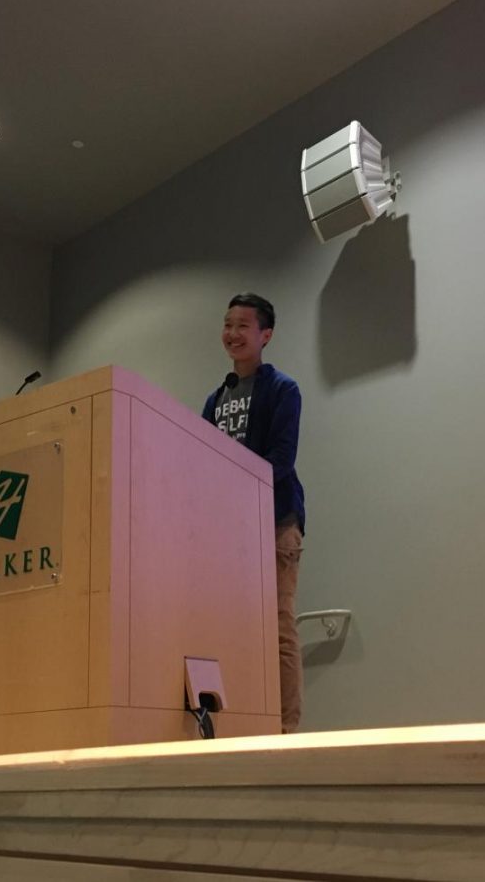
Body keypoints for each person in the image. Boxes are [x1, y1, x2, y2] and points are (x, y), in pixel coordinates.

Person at [202, 292, 306, 733]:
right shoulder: (215, 400)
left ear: (266, 335)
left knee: (279, 627)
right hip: (229, 532)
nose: (232, 333)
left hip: (275, 522)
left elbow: (281, 459)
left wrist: (238, 492)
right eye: (228, 324)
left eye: (243, 326)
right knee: (231, 627)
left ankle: (285, 731)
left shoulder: (283, 390)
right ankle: (244, 722)